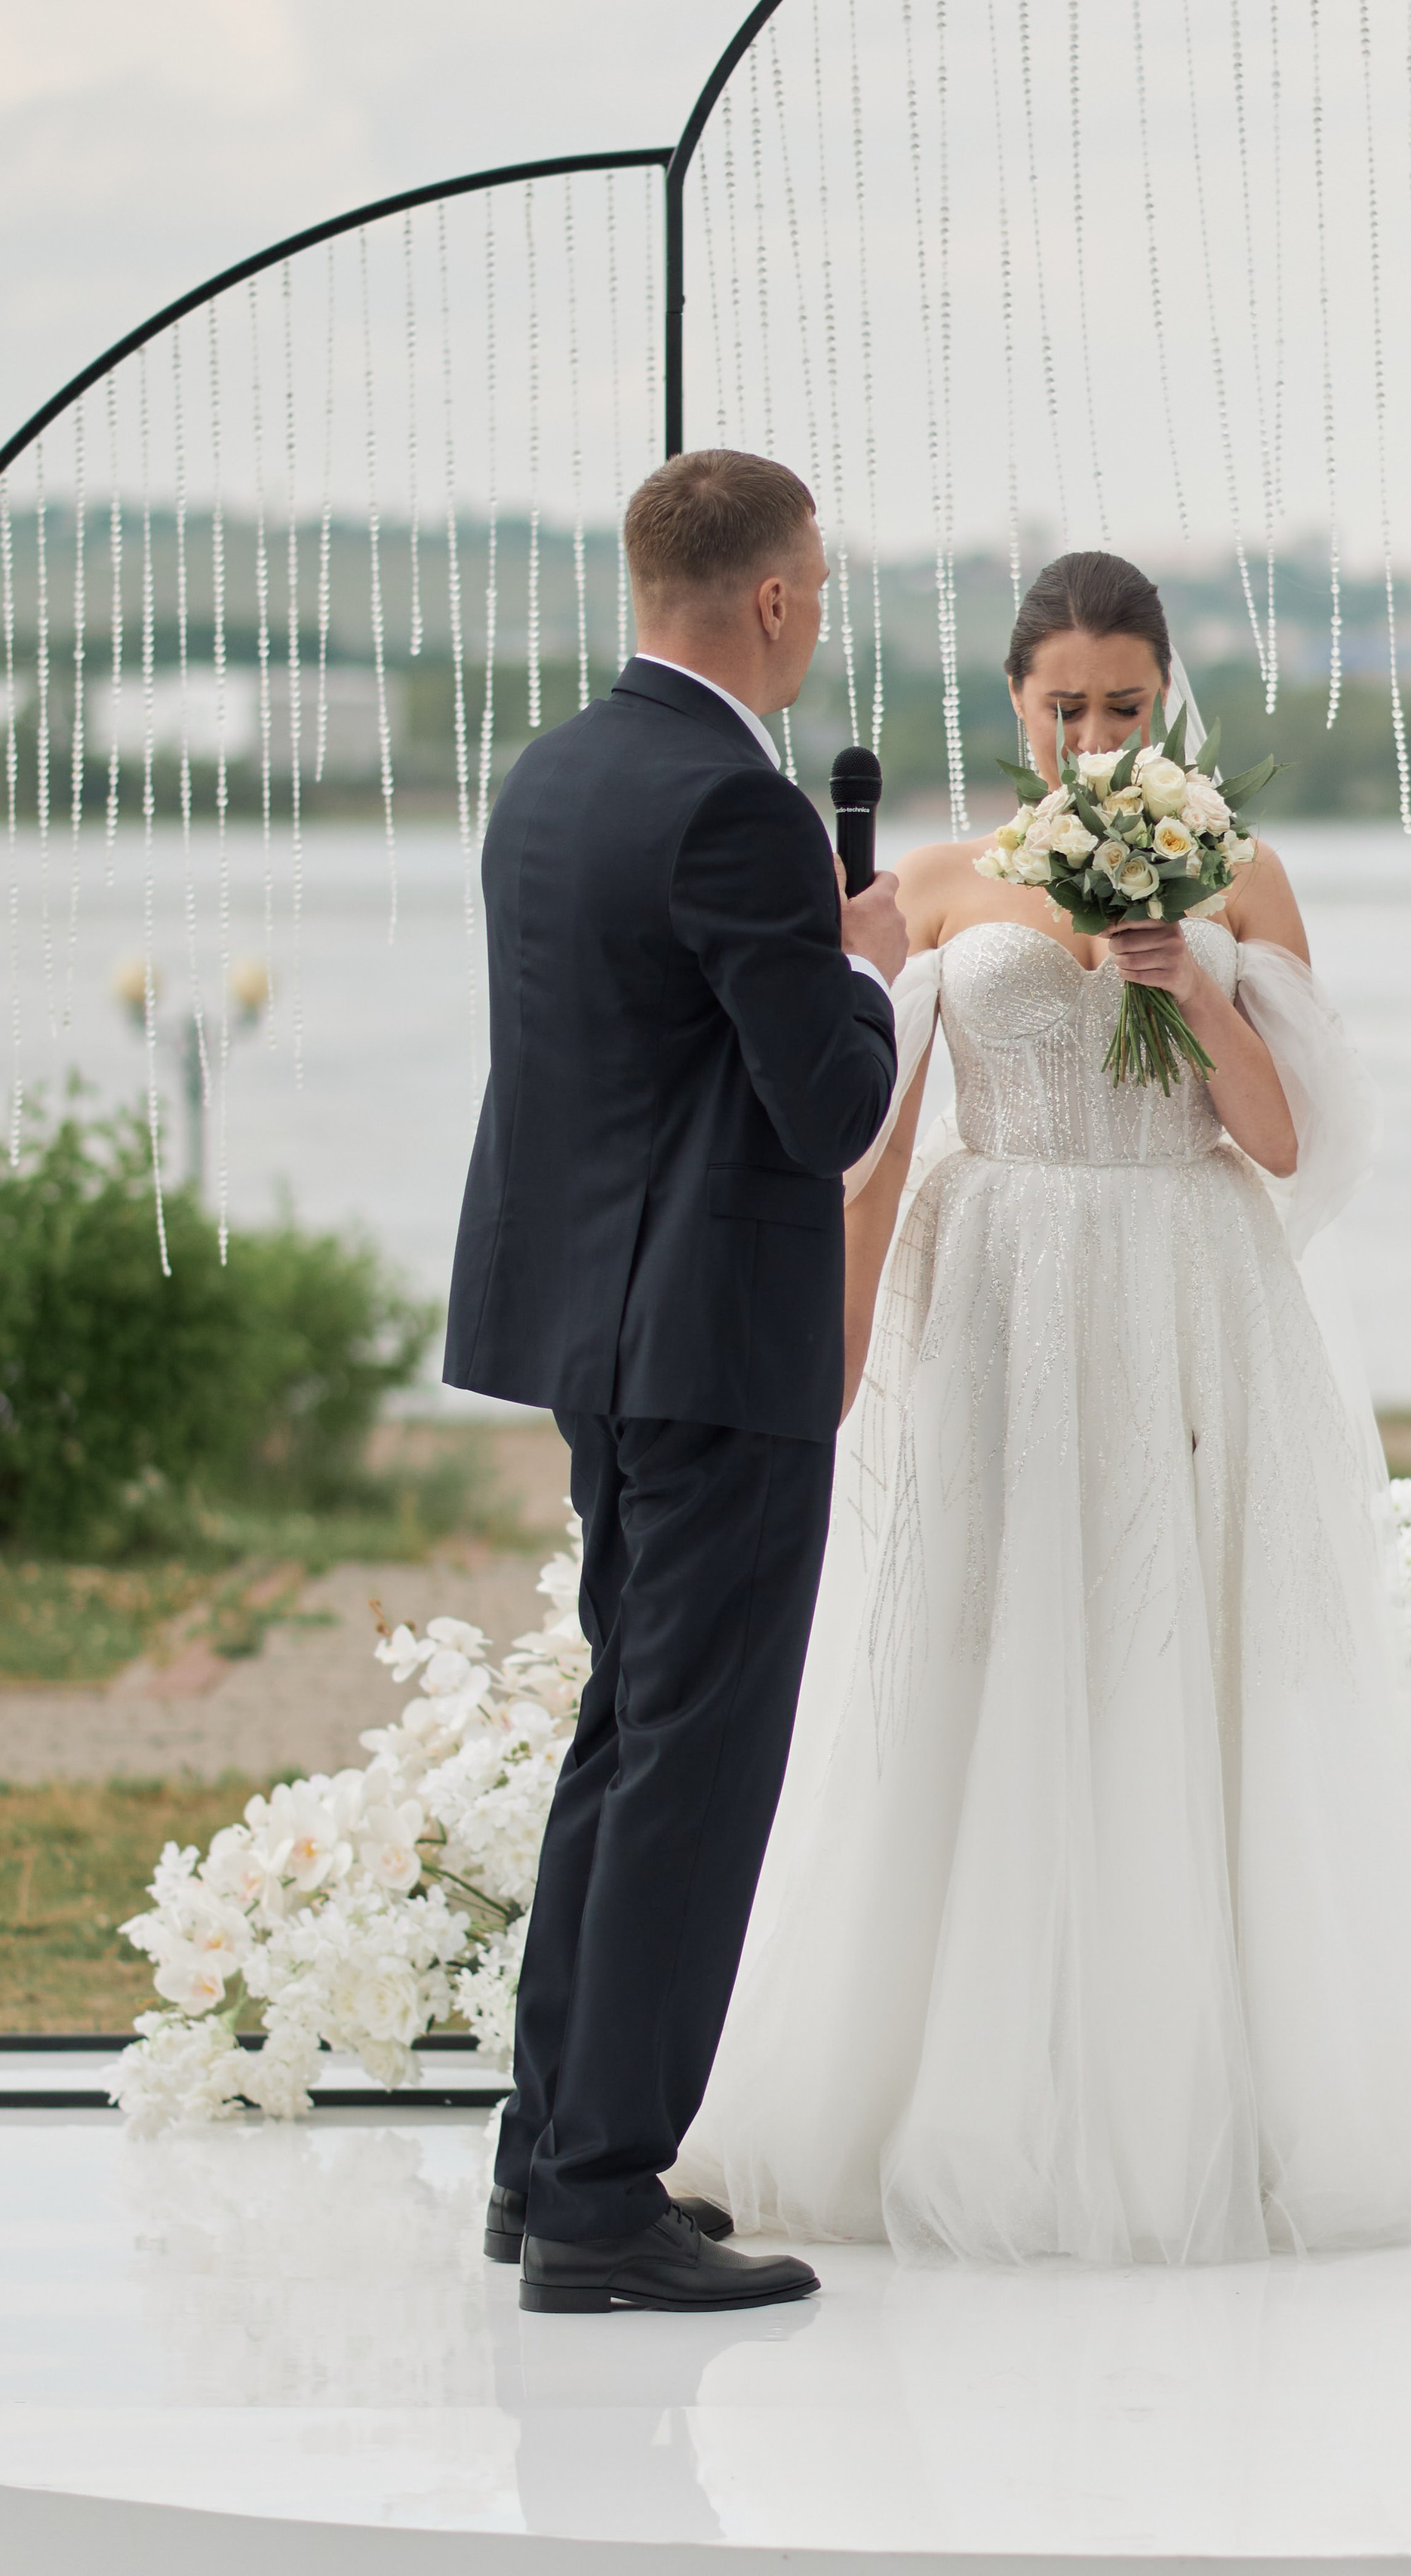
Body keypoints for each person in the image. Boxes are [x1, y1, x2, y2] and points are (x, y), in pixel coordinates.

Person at [675, 548, 1411, 2265]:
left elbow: (1284, 1144)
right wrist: (821, 1368)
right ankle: (926, 2090)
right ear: (1013, 705)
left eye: (1125, 705)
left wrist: (1185, 985)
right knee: (980, 1653)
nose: (1094, 735)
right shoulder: (934, 884)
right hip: (986, 1289)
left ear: (1164, 696)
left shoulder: (1240, 872)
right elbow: (870, 1141)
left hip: (1183, 1291)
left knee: (1173, 1652)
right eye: (1064, 706)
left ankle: (1198, 2105)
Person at [444, 448, 906, 2313]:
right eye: (824, 589)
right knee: (688, 1769)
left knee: (623, 1740)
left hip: (596, 1334)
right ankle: (597, 2202)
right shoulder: (732, 806)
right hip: (712, 1348)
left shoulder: (554, 775)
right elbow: (834, 1105)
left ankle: (544, 2157)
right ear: (777, 597)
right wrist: (857, 963)